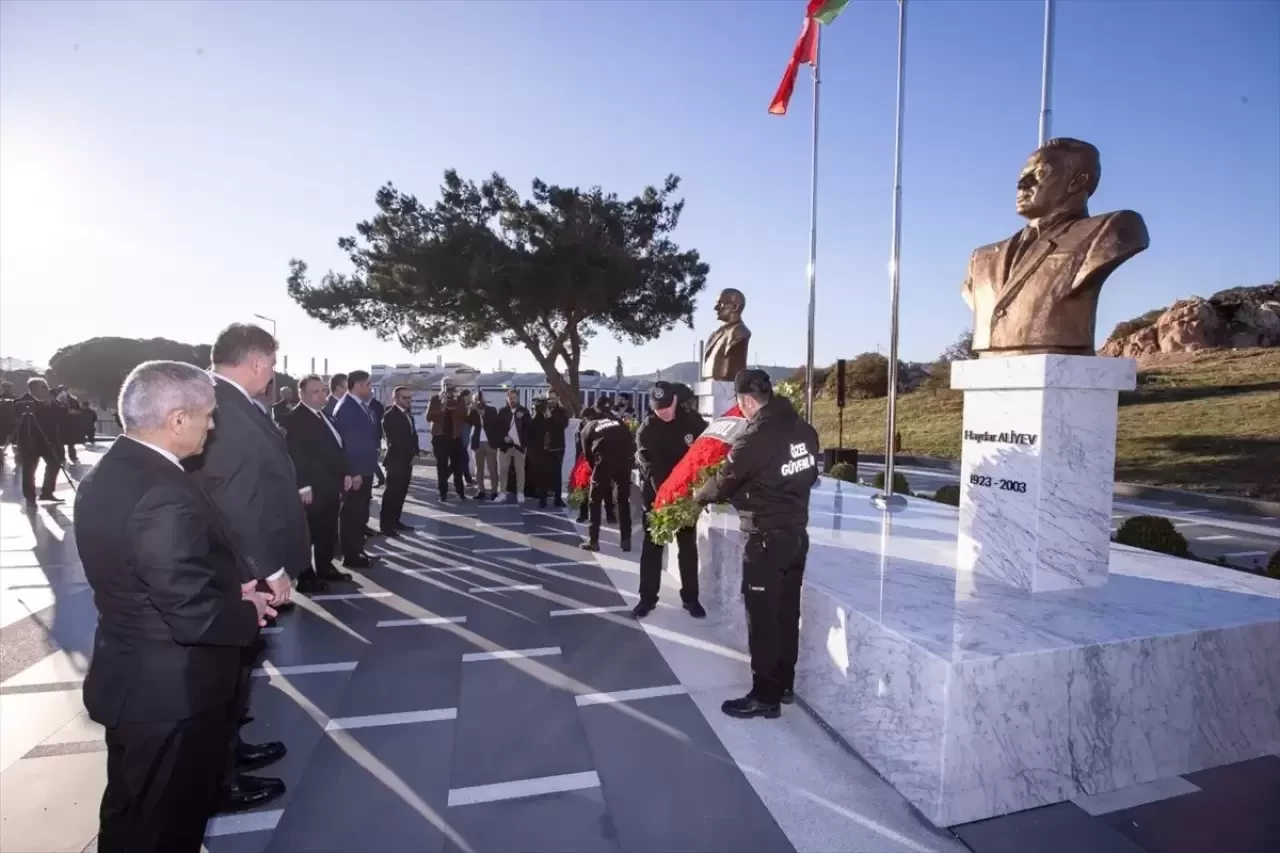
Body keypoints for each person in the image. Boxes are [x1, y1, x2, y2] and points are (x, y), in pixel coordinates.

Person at [77, 360, 274, 853]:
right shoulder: (162, 494)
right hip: (170, 695)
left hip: (133, 681)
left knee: (131, 816)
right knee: (164, 828)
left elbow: (154, 578)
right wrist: (249, 612)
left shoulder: (114, 470)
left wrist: (230, 592)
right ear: (177, 419)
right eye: (207, 414)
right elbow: (191, 613)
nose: (212, 424)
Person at [185, 323, 308, 812]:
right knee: (226, 674)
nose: (273, 372)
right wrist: (269, 567)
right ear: (257, 361)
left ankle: (233, 751)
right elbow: (236, 500)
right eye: (272, 363)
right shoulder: (224, 407)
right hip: (240, 566)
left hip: (241, 563)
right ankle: (220, 779)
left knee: (240, 669)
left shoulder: (229, 403)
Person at [694, 369, 819, 719]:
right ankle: (785, 685)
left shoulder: (756, 437)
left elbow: (722, 484)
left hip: (765, 540)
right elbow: (809, 476)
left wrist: (696, 494)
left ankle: (765, 696)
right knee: (786, 613)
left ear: (747, 401)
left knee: (763, 620)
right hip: (796, 537)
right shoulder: (805, 431)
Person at [635, 381, 708, 619]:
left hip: (686, 499)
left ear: (675, 400)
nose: (663, 411)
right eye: (658, 408)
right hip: (657, 499)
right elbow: (650, 469)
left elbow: (707, 446)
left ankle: (691, 598)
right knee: (652, 548)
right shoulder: (646, 430)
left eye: (667, 406)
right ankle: (647, 599)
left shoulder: (692, 421)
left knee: (688, 548)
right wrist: (666, 495)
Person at [283, 374, 353, 593]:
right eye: (315, 391)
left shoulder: (324, 416)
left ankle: (324, 566)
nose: (321, 394)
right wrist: (303, 487)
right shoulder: (294, 419)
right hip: (312, 488)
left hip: (330, 485)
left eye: (323, 390)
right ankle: (305, 576)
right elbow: (295, 456)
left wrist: (345, 473)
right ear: (301, 394)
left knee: (327, 529)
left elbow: (336, 448)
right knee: (309, 533)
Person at [331, 369, 381, 567]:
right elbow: (348, 443)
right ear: (358, 385)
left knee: (360, 512)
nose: (371, 388)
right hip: (357, 470)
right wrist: (354, 472)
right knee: (352, 513)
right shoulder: (347, 407)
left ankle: (358, 550)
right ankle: (350, 555)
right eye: (368, 384)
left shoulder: (360, 406)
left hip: (365, 468)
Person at [579, 405, 634, 552]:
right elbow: (631, 441)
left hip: (604, 461)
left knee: (594, 501)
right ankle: (626, 541)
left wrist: (596, 470)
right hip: (624, 461)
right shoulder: (616, 421)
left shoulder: (588, 427)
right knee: (623, 501)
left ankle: (593, 541)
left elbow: (587, 455)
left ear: (585, 419)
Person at [13, 377, 64, 505]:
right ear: (33, 388)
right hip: (30, 440)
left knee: (55, 462)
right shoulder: (22, 401)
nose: (47, 390)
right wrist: (39, 404)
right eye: (44, 387)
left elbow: (62, 413)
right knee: (29, 468)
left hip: (50, 439)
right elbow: (18, 411)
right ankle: (30, 496)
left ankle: (47, 492)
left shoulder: (51, 401)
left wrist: (53, 402)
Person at [380, 384, 419, 535]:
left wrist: (415, 452)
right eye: (405, 397)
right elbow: (396, 440)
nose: (409, 400)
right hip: (396, 461)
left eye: (410, 397)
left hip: (407, 461)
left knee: (401, 493)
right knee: (392, 494)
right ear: (395, 398)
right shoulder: (390, 416)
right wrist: (408, 453)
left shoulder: (408, 413)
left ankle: (396, 521)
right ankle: (386, 526)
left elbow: (412, 434)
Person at [425, 378, 468, 501]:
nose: (449, 388)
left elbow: (464, 415)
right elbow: (429, 417)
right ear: (442, 386)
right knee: (441, 467)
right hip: (440, 437)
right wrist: (442, 407)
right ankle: (443, 493)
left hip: (455, 438)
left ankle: (460, 492)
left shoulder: (459, 399)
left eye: (451, 386)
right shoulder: (435, 399)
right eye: (447, 386)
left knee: (457, 467)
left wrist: (455, 405)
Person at [540, 391, 570, 508]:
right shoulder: (542, 411)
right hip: (544, 447)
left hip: (557, 448)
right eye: (549, 399)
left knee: (557, 475)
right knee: (543, 474)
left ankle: (558, 499)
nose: (551, 401)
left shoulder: (562, 412)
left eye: (553, 399)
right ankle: (543, 499)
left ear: (558, 398)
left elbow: (563, 424)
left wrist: (551, 416)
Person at [469, 392, 501, 500]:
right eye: (476, 400)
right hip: (478, 443)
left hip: (489, 442)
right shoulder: (473, 411)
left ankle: (494, 491)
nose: (478, 401)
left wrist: (483, 413)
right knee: (479, 469)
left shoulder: (492, 410)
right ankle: (481, 490)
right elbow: (469, 422)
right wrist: (472, 409)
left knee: (492, 468)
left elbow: (493, 423)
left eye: (480, 399)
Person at [457, 389, 476, 486]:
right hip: (460, 437)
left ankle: (443, 479)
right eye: (469, 396)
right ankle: (468, 479)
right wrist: (469, 409)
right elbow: (463, 417)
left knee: (459, 460)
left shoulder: (466, 406)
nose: (471, 398)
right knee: (464, 459)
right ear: (465, 397)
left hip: (464, 437)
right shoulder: (461, 406)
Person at [369, 394, 387, 488]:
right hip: (368, 436)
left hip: (374, 436)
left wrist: (380, 436)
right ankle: (380, 479)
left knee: (371, 460)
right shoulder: (363, 404)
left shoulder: (377, 405)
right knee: (370, 460)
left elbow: (379, 422)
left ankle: (380, 478)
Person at [0, 380, 16, 466]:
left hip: (13, 422)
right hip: (2, 422)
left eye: (8, 387)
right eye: (4, 387)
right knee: (1, 441)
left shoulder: (15, 398)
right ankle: (1, 455)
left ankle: (18, 456)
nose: (6, 389)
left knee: (15, 441)